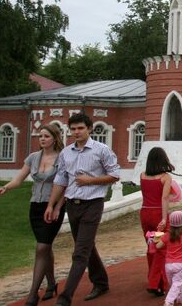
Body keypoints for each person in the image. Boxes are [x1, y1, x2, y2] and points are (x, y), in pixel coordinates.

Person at [44, 113, 120, 305]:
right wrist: (51, 205)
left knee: (79, 253)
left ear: (89, 129)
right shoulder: (66, 153)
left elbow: (115, 175)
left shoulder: (101, 150)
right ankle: (101, 282)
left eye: (80, 128)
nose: (76, 132)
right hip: (72, 205)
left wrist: (90, 180)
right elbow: (61, 180)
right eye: (73, 129)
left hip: (93, 204)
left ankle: (65, 298)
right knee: (86, 247)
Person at [0, 124, 66, 306]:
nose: (42, 139)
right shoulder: (33, 157)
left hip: (53, 207)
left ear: (54, 138)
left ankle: (32, 295)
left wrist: (58, 207)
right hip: (35, 207)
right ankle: (50, 284)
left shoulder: (63, 158)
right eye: (40, 136)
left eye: (46, 136)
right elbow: (19, 179)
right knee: (45, 247)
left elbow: (67, 184)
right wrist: (5, 188)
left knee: (41, 248)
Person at [140, 147, 174, 296]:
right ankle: (156, 283)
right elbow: (164, 198)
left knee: (150, 246)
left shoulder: (142, 175)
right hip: (157, 215)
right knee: (160, 248)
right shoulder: (165, 177)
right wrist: (164, 218)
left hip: (145, 214)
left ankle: (153, 278)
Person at [156, 211, 182, 306]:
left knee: (175, 283)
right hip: (180, 265)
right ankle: (169, 301)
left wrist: (158, 232)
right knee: (177, 283)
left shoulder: (166, 236)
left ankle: (180, 297)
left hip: (168, 265)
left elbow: (158, 246)